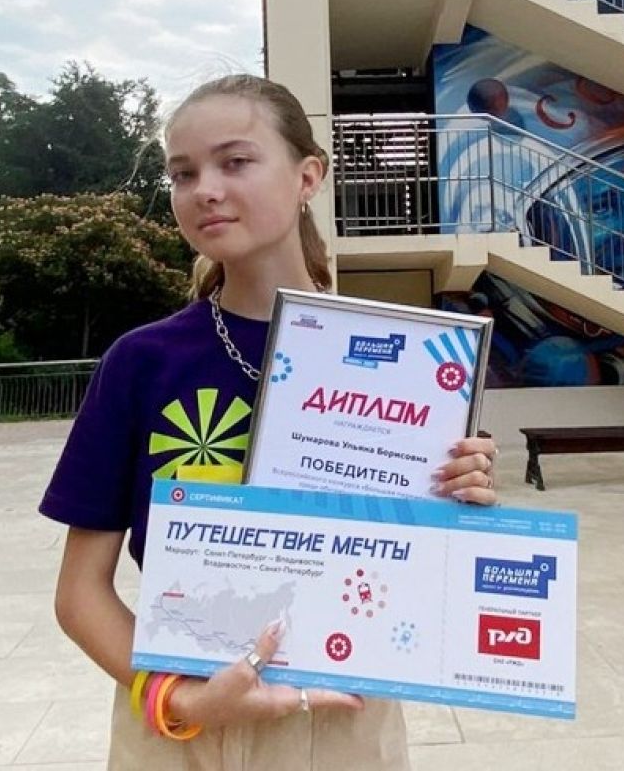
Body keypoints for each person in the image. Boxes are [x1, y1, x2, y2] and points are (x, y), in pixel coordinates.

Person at [39, 74, 499, 771]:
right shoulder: (141, 362)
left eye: (235, 161)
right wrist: (183, 699)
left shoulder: (406, 361)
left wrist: (462, 501)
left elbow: (426, 582)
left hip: (345, 720)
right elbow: (79, 593)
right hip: (181, 724)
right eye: (183, 173)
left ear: (308, 175)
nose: (205, 189)